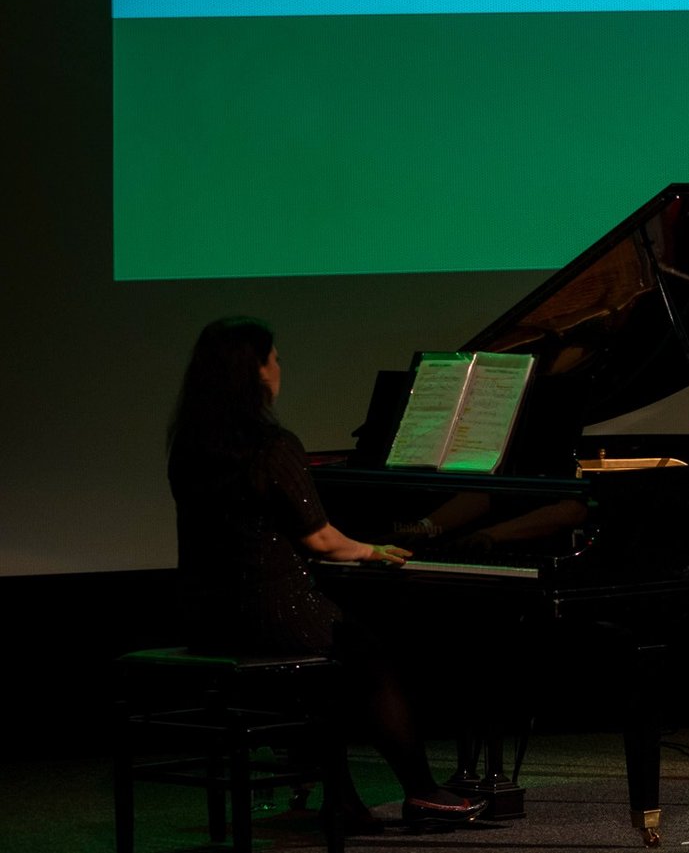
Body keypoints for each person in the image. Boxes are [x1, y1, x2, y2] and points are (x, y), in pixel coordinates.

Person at [166, 316, 488, 831]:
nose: (279, 367)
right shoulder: (273, 446)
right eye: (274, 358)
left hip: (207, 613)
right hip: (271, 611)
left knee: (327, 677)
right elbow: (320, 540)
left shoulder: (188, 445)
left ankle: (341, 799)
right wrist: (373, 550)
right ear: (255, 371)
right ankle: (422, 791)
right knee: (370, 660)